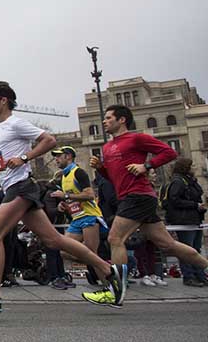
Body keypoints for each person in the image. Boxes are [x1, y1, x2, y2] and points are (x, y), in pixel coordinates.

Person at [0, 82, 118, 312]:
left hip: (21, 188)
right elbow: (4, 166)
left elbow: (49, 140)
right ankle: (107, 270)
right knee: (55, 240)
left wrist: (25, 157)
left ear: (4, 101)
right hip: (13, 187)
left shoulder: (16, 123)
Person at [85, 104, 208, 306]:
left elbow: (169, 153)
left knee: (115, 238)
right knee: (167, 244)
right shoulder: (107, 148)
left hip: (138, 195)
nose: (104, 121)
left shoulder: (136, 138)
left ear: (122, 119)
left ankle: (115, 292)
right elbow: (115, 178)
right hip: (129, 197)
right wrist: (101, 168)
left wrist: (146, 165)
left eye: (108, 118)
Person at [51, 146, 106, 287]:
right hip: (76, 219)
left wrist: (66, 195)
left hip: (89, 216)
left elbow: (89, 195)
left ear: (68, 156)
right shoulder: (63, 176)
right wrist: (63, 205)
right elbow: (72, 198)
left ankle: (109, 285)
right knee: (63, 251)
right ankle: (109, 270)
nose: (56, 159)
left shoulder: (79, 172)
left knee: (92, 254)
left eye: (58, 156)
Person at [162, 158, 207, 287]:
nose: (195, 167)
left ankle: (200, 275)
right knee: (187, 250)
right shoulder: (178, 181)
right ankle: (189, 276)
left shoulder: (189, 180)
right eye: (192, 165)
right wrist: (195, 205)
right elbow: (174, 200)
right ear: (186, 167)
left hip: (194, 219)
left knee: (195, 249)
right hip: (184, 220)